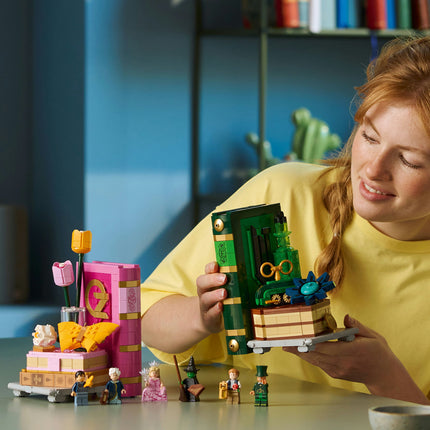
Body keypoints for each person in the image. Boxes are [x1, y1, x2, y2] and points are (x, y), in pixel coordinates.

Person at [141, 35, 430, 405]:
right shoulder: (283, 191)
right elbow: (145, 317)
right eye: (370, 137)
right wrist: (200, 317)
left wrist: (383, 375)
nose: (373, 170)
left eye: (408, 160)